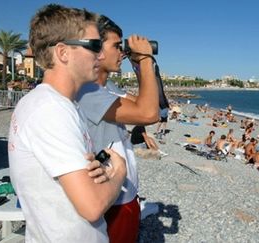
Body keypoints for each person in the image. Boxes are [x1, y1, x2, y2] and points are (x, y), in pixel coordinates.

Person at [8, 4, 127, 242]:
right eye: (94, 46)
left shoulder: (60, 104)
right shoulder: (50, 110)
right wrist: (119, 172)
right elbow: (92, 206)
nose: (100, 55)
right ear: (63, 53)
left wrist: (99, 173)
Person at [76, 15, 159, 242]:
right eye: (116, 46)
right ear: (96, 49)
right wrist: (145, 59)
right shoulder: (87, 92)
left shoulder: (108, 87)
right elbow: (148, 114)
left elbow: (153, 107)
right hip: (110, 195)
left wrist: (141, 66)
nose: (122, 52)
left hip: (124, 192)